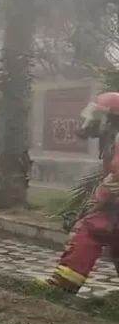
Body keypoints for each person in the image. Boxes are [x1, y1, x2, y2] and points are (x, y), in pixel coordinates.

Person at [42, 92, 119, 293]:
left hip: (113, 206)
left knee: (91, 229)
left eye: (97, 117)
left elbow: (114, 181)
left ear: (111, 118)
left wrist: (98, 201)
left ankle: (63, 285)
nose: (90, 122)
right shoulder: (112, 141)